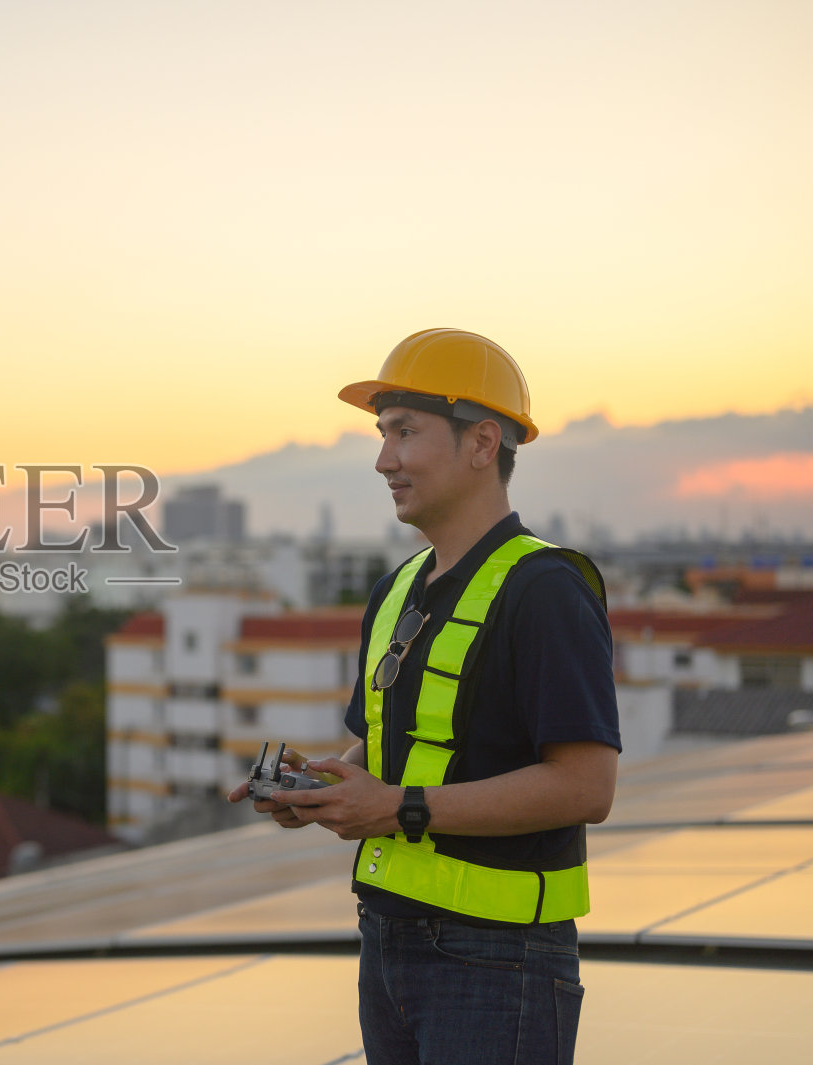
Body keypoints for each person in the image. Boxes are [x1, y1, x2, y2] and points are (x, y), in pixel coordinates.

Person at [230, 328, 620, 1064]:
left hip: (501, 958)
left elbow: (586, 786)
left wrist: (396, 807)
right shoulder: (396, 589)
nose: (384, 459)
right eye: (383, 434)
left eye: (405, 432)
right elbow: (388, 744)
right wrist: (323, 787)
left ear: (482, 442)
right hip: (386, 938)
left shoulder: (547, 589)